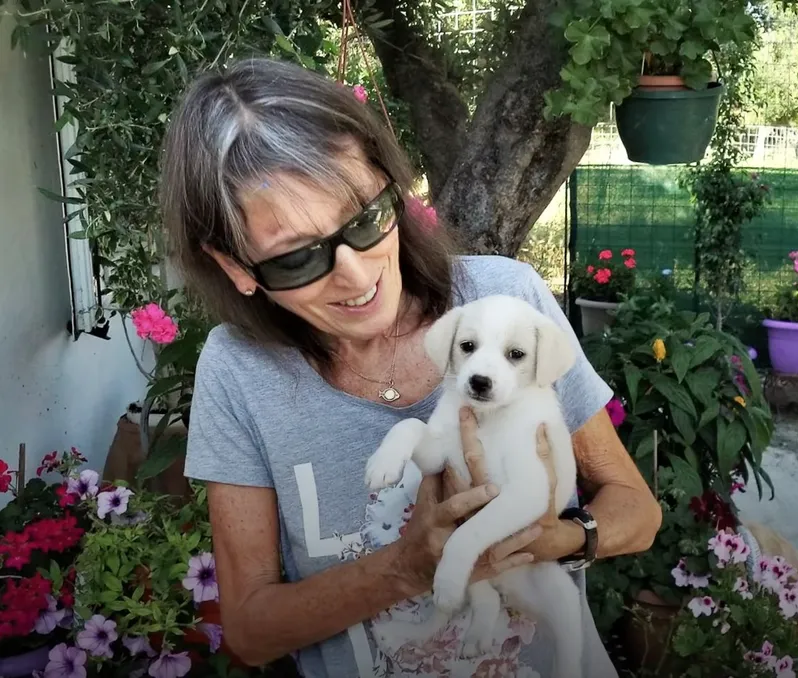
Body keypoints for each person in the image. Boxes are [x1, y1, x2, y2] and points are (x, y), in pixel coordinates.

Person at [163, 56, 662, 678]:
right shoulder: (238, 373)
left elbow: (637, 512)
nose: (356, 273)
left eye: (367, 219)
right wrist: (408, 566)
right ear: (235, 268)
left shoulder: (504, 304)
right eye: (295, 259)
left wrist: (545, 538)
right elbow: (251, 632)